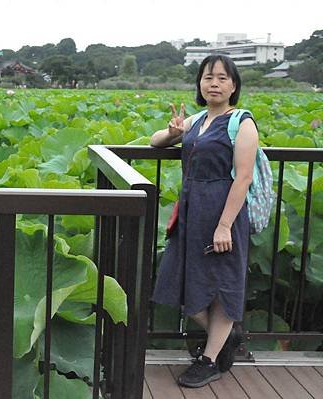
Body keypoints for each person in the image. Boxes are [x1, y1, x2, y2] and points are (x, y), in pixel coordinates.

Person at [149, 54, 259, 388]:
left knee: (221, 285)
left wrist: (225, 225)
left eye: (223, 78)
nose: (215, 83)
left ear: (234, 85)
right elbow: (154, 141)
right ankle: (226, 336)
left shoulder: (242, 122)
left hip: (222, 213)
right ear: (199, 83)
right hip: (190, 214)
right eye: (209, 77)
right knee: (178, 279)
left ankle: (209, 360)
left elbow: (243, 178)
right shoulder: (197, 121)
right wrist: (172, 133)